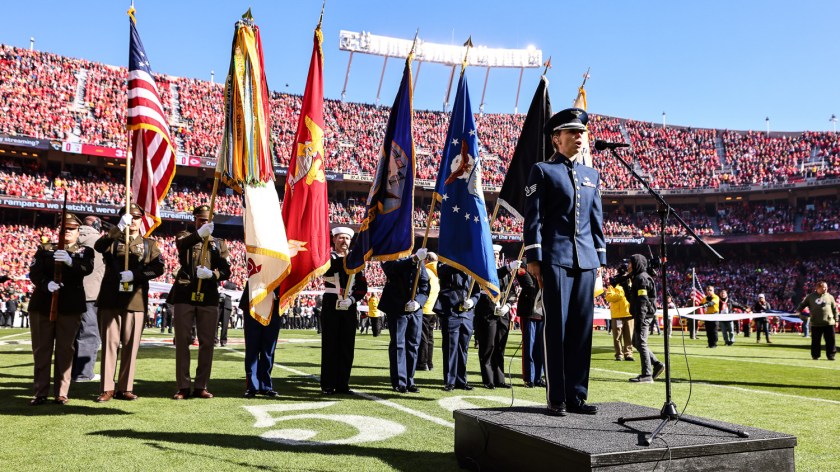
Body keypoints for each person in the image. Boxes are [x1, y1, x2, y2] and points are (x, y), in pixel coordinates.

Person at [524, 108, 606, 416]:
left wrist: (600, 261)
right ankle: (556, 396)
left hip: (586, 260)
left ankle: (577, 396)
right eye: (572, 132)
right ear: (556, 138)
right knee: (556, 328)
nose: (579, 136)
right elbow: (533, 218)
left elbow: (596, 221)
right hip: (555, 257)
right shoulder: (543, 170)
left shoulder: (591, 175)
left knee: (582, 330)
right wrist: (534, 257)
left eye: (582, 132)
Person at [94, 203, 164, 402]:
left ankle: (125, 387)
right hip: (110, 298)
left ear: (142, 220)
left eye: (136, 217)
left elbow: (158, 268)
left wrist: (136, 274)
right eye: (129, 217)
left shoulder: (149, 244)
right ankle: (107, 387)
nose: (133, 221)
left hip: (135, 300)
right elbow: (99, 247)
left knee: (131, 345)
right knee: (109, 344)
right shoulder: (113, 240)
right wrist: (117, 228)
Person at [27, 212, 94, 405]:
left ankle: (62, 392)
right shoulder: (45, 248)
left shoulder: (84, 251)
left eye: (72, 229)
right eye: (64, 229)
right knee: (41, 350)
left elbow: (86, 269)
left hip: (70, 305)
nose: (67, 233)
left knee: (65, 350)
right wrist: (46, 284)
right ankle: (40, 391)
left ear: (78, 232)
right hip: (43, 304)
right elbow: (34, 272)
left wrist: (71, 261)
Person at [169, 205, 231, 400]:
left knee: (207, 343)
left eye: (207, 221)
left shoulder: (219, 244)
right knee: (182, 341)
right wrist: (199, 234)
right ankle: (183, 385)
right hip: (185, 294)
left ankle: (201, 385)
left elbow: (226, 271)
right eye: (200, 220)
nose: (204, 223)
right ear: (195, 220)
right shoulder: (185, 236)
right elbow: (181, 245)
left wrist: (212, 274)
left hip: (209, 296)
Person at [320, 227, 368, 395]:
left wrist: (352, 300)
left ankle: (343, 384)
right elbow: (331, 269)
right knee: (330, 345)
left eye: (347, 239)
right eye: (340, 238)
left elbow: (362, 287)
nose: (344, 241)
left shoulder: (355, 261)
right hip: (331, 302)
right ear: (334, 240)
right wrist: (350, 259)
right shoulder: (328, 258)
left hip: (349, 305)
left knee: (347, 346)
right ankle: (328, 384)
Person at [380, 249, 430, 393]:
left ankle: (409, 380)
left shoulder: (420, 261)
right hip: (397, 308)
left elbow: (425, 285)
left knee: (413, 345)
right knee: (398, 344)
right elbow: (391, 269)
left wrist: (418, 302)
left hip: (415, 310)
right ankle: (399, 381)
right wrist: (413, 259)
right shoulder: (391, 255)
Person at [474, 245, 520, 389]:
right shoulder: (481, 270)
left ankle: (500, 379)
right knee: (488, 347)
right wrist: (508, 268)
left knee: (500, 347)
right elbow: (493, 276)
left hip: (502, 314)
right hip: (487, 313)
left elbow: (511, 292)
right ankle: (488, 379)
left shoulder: (506, 273)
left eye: (497, 254)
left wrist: (507, 306)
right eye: (492, 254)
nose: (495, 256)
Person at [434, 263, 480, 391]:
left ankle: (461, 380)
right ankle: (450, 381)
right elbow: (442, 272)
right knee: (450, 347)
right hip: (451, 311)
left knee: (463, 348)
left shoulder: (472, 270)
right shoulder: (446, 263)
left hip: (467, 314)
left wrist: (472, 301)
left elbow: (476, 291)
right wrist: (460, 262)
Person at [72, 215, 105, 383]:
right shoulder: (99, 241)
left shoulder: (72, 238)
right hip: (91, 293)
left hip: (71, 292)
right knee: (90, 334)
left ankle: (70, 371)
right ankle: (84, 373)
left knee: (70, 334)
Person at [625, 254, 665, 383]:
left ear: (637, 264)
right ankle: (657, 364)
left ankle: (647, 375)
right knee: (636, 342)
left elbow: (643, 301)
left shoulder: (642, 278)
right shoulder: (637, 278)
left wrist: (640, 320)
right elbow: (634, 300)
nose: (628, 265)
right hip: (641, 314)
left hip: (644, 315)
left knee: (641, 342)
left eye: (630, 263)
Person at [241, 283, 282, 398]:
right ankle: (252, 386)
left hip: (274, 302)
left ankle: (265, 385)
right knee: (252, 347)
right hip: (254, 299)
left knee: (268, 348)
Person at [516, 262, 544, 388]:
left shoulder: (544, 265)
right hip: (529, 312)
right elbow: (528, 284)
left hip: (542, 313)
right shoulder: (524, 264)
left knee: (540, 348)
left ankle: (538, 377)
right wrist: (539, 277)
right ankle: (529, 378)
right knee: (529, 347)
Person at [796, 281, 837, 361]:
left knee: (830, 341)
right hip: (816, 322)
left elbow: (834, 309)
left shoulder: (830, 297)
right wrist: (798, 310)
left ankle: (831, 355)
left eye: (826, 287)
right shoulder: (810, 297)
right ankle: (815, 355)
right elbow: (803, 304)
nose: (825, 289)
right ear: (817, 288)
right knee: (815, 341)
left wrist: (837, 320)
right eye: (823, 287)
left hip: (828, 322)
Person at [605, 265, 633, 362]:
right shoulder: (614, 283)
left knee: (629, 336)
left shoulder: (631, 282)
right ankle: (619, 354)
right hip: (617, 315)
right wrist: (621, 294)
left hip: (629, 313)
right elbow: (608, 297)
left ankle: (628, 354)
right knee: (617, 337)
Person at [417, 252, 440, 371]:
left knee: (423, 338)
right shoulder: (437, 273)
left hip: (425, 308)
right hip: (433, 309)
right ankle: (429, 363)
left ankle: (422, 363)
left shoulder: (427, 271)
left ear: (426, 260)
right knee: (430, 338)